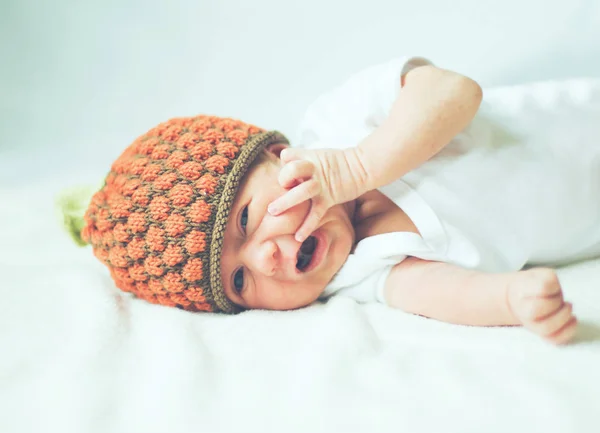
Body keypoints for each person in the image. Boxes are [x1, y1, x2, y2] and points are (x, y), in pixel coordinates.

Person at [72, 56, 600, 345]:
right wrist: (511, 300)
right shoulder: (360, 274)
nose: (265, 258)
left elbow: (454, 91)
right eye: (239, 281)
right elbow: (445, 290)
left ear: (280, 155)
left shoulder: (345, 120)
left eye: (247, 219)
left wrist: (358, 166)